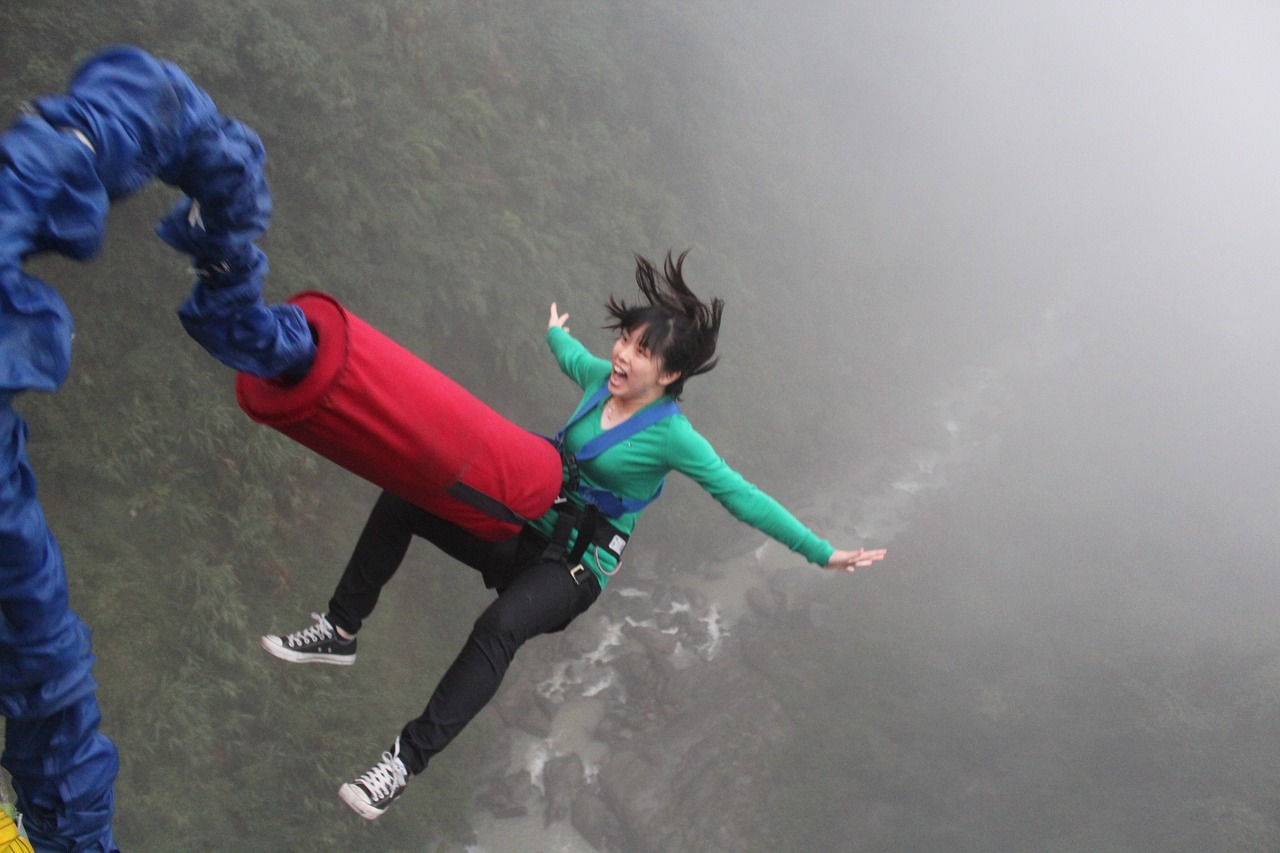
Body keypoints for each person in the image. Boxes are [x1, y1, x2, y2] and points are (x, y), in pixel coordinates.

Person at [259, 250, 887, 819]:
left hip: (574, 570)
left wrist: (821, 552)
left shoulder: (672, 436)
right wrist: (556, 332)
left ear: (669, 376)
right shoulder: (598, 380)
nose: (621, 355)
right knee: (406, 497)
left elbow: (741, 496)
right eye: (626, 341)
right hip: (523, 529)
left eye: (641, 352)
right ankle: (340, 631)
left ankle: (402, 764)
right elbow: (570, 355)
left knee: (499, 627)